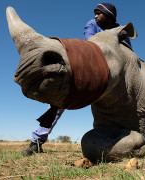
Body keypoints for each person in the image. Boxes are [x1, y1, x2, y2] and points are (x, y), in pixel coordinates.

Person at [22, 3, 131, 156]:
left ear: (110, 16)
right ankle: (37, 141)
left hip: (115, 74)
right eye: (95, 12)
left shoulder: (120, 29)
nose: (95, 16)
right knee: (58, 102)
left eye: (100, 13)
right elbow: (93, 45)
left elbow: (128, 53)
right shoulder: (92, 25)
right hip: (93, 67)